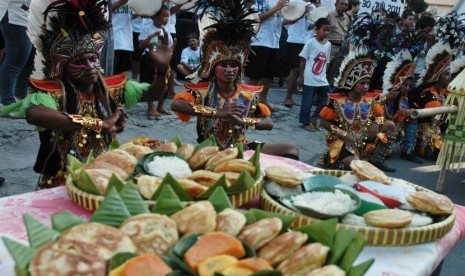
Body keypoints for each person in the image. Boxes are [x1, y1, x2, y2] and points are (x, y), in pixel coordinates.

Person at [0, 0, 169, 188]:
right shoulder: (54, 91)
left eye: (93, 59)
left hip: (102, 177)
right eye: (80, 62)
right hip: (60, 182)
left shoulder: (109, 89)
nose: (89, 67)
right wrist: (99, 124)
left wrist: (162, 70)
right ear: (63, 67)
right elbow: (35, 114)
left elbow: (153, 93)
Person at [171, 0, 299, 159]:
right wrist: (217, 113)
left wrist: (242, 121)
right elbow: (176, 104)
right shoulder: (204, 90)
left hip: (240, 146)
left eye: (234, 65)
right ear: (213, 66)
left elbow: (268, 123)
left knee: (291, 149)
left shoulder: (246, 94)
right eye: (223, 65)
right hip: (210, 151)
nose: (229, 70)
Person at [318, 47, 396, 171]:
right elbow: (323, 122)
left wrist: (376, 123)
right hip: (344, 143)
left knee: (390, 124)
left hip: (365, 141)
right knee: (358, 167)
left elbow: (380, 115)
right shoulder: (337, 100)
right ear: (352, 83)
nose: (366, 87)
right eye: (362, 83)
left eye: (367, 83)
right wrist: (345, 134)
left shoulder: (370, 100)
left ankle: (376, 160)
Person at [382, 50, 423, 163]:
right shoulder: (389, 94)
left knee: (413, 116)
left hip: (396, 129)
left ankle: (407, 151)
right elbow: (376, 107)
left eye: (410, 86)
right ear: (398, 83)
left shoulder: (406, 98)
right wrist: (387, 99)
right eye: (405, 85)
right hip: (381, 127)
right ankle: (383, 148)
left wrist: (408, 111)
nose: (407, 88)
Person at [245, 0, 287, 110]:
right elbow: (255, 18)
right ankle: (248, 102)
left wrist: (296, 16)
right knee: (255, 75)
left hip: (274, 42)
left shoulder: (280, 1)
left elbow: (280, 20)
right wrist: (276, 8)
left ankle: (263, 100)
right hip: (260, 41)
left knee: (268, 76)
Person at [139, 4, 173, 119]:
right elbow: (141, 45)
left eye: (168, 16)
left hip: (163, 60)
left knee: (165, 81)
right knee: (150, 82)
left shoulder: (166, 29)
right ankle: (150, 107)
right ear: (155, 16)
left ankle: (160, 106)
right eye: (164, 16)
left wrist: (164, 45)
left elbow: (169, 46)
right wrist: (152, 37)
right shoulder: (147, 28)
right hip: (148, 58)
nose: (167, 19)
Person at [297, 17, 332, 132]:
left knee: (327, 99)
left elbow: (326, 62)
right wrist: (301, 75)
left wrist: (324, 75)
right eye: (324, 30)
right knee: (307, 101)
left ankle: (314, 117)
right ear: (317, 29)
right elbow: (303, 59)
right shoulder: (310, 43)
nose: (326, 33)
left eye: (328, 30)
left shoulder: (328, 45)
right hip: (309, 77)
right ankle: (305, 122)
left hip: (321, 78)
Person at [283, 0, 317, 108]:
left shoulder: (312, 7)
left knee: (302, 70)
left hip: (306, 41)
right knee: (295, 69)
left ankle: (292, 97)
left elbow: (309, 27)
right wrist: (303, 12)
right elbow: (288, 20)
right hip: (294, 40)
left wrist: (316, 22)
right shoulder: (293, 2)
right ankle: (288, 98)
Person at [0, 0, 34, 108]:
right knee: (15, 60)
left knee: (29, 62)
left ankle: (20, 98)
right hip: (14, 17)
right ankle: (6, 101)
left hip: (29, 19)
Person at [326, 0, 350, 87]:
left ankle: (326, 95)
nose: (344, 6)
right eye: (342, 4)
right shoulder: (329, 15)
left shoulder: (347, 18)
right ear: (336, 4)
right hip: (330, 47)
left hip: (341, 49)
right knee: (324, 70)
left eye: (346, 5)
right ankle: (316, 95)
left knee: (334, 73)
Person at [111, 0, 134, 74]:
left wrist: (142, 13)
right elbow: (105, 11)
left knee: (122, 77)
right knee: (110, 74)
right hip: (114, 42)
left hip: (127, 42)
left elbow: (131, 15)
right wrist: (122, 2)